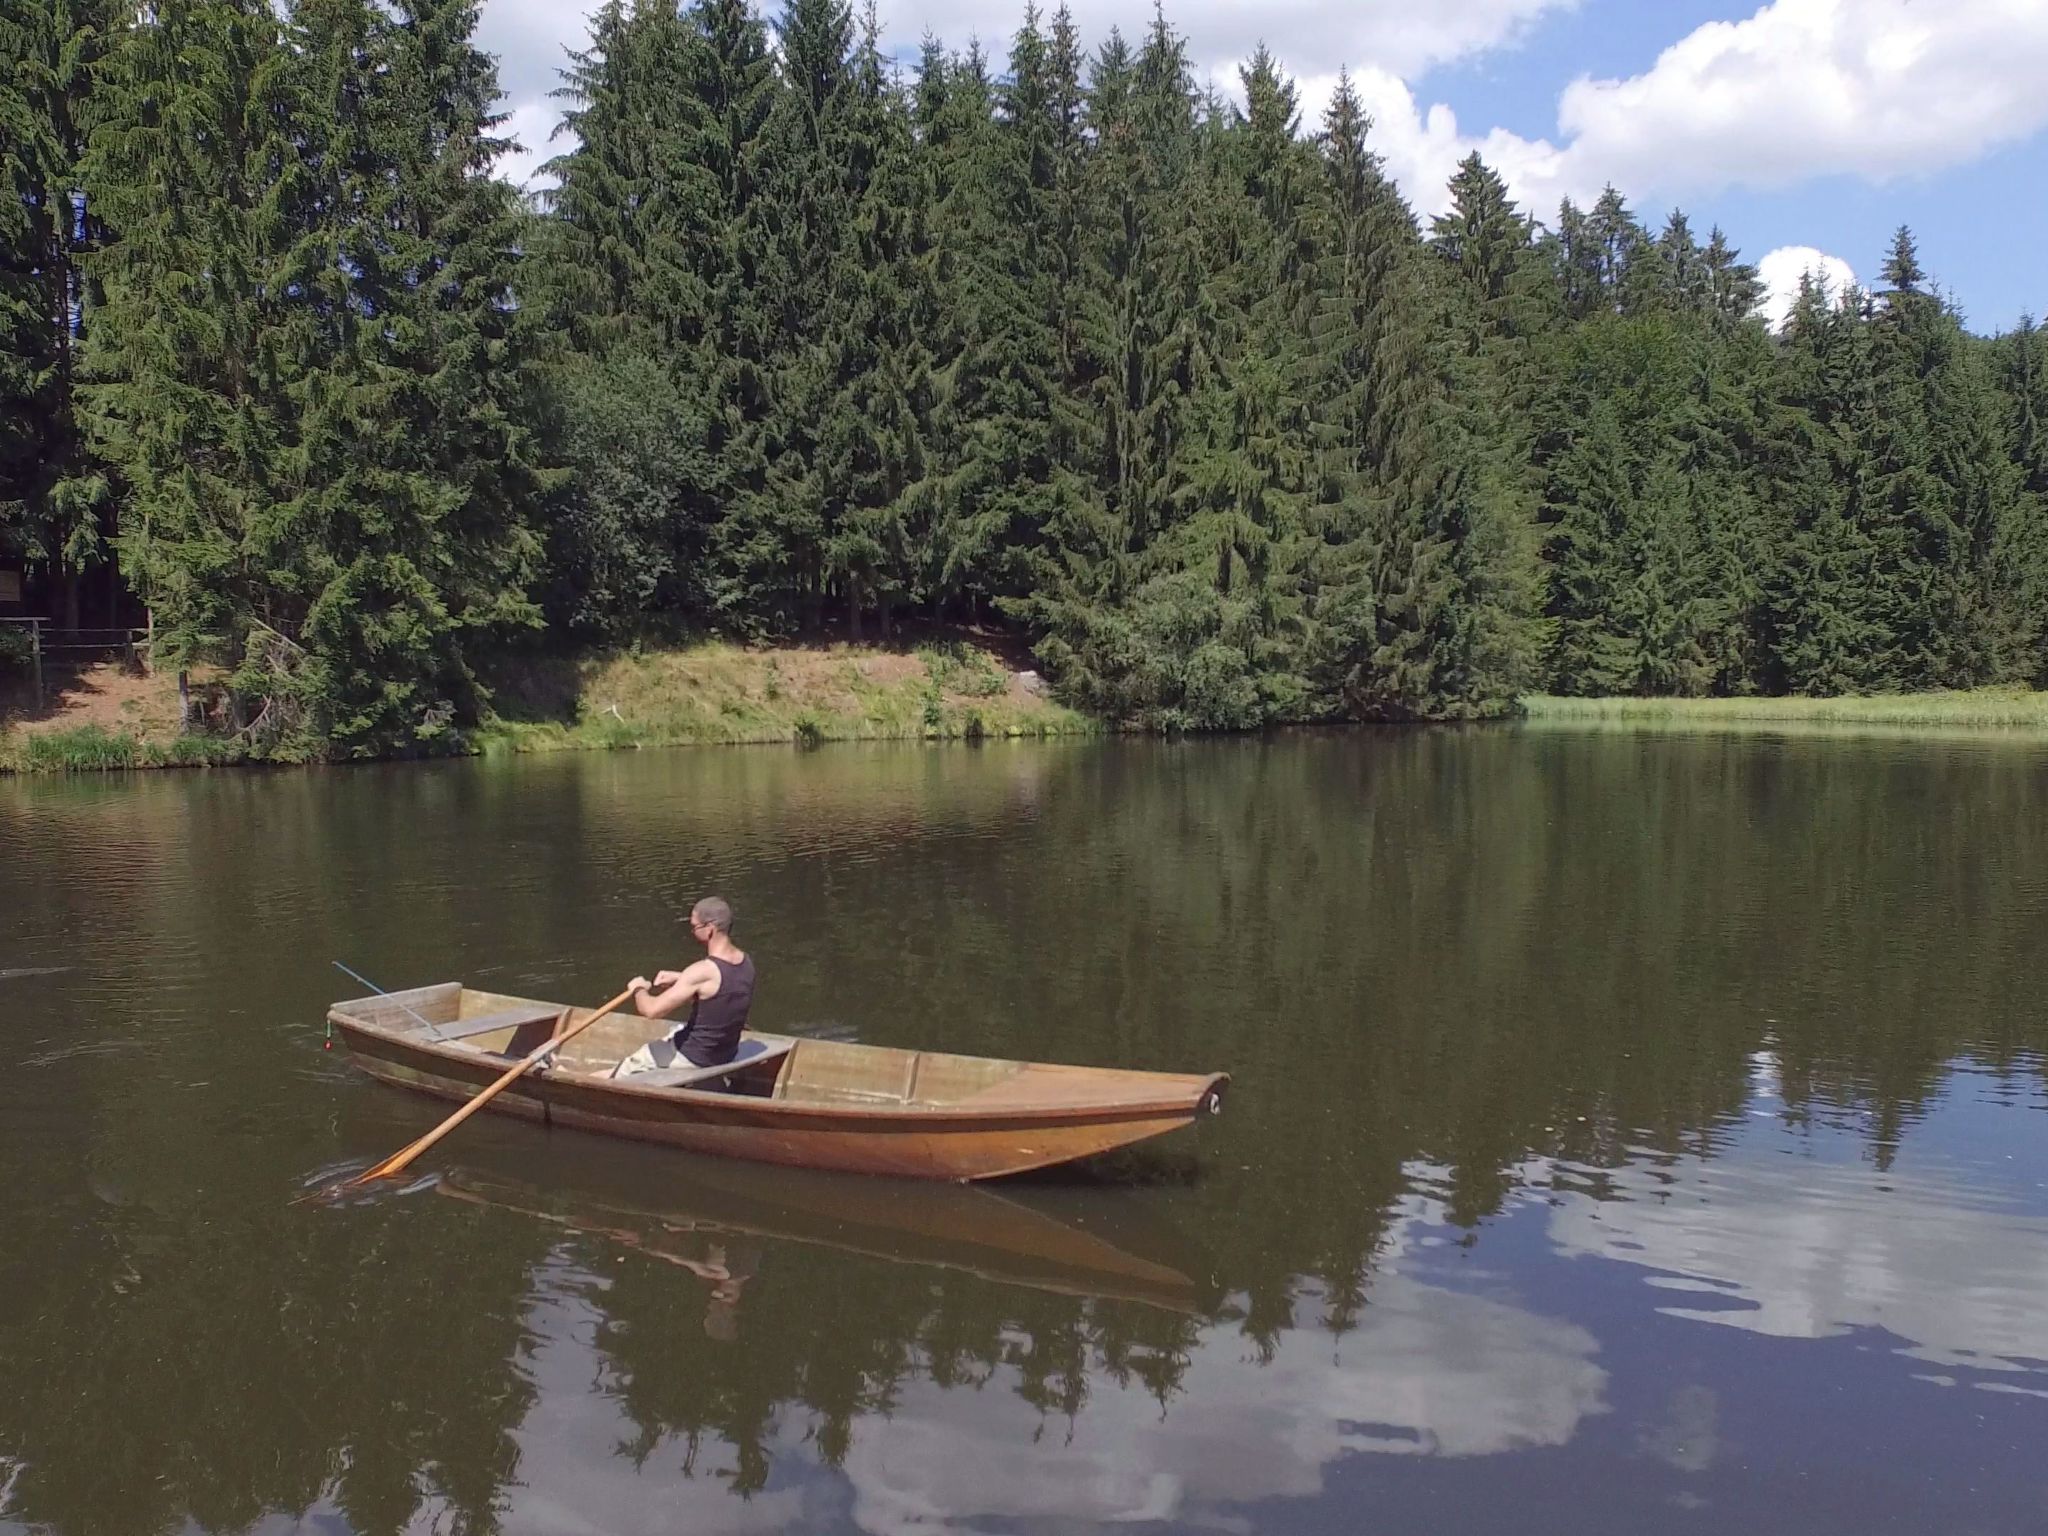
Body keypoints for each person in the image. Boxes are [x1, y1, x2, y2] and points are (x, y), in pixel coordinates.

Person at [611, 896, 756, 1078]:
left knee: (629, 1066)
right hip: (725, 1054)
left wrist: (638, 989)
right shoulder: (745, 962)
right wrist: (681, 979)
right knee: (676, 1030)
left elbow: (652, 1011)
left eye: (694, 927)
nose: (692, 932)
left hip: (694, 1057)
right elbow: (721, 990)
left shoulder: (702, 971)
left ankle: (609, 1080)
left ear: (709, 929)